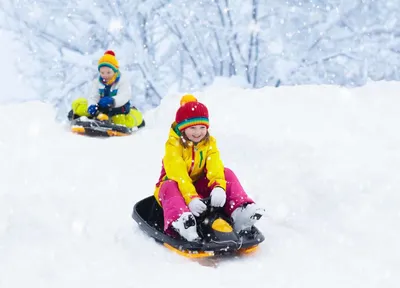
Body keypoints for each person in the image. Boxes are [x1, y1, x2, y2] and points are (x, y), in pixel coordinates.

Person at [153, 94, 265, 241]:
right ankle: (183, 222)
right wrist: (190, 198)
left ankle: (239, 211)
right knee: (169, 185)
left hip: (199, 187)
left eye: (202, 127)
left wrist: (219, 186)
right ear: (182, 128)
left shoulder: (209, 143)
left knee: (226, 173)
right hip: (177, 190)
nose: (198, 132)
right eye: (192, 128)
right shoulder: (173, 146)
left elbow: (215, 164)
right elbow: (178, 174)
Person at [68, 50, 145, 129]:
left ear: (115, 71)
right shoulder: (97, 82)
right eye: (102, 72)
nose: (105, 75)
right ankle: (80, 114)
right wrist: (92, 105)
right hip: (101, 109)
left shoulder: (122, 80)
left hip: (118, 109)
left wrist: (113, 100)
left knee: (120, 121)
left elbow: (125, 95)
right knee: (79, 104)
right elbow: (93, 96)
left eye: (108, 72)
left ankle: (135, 115)